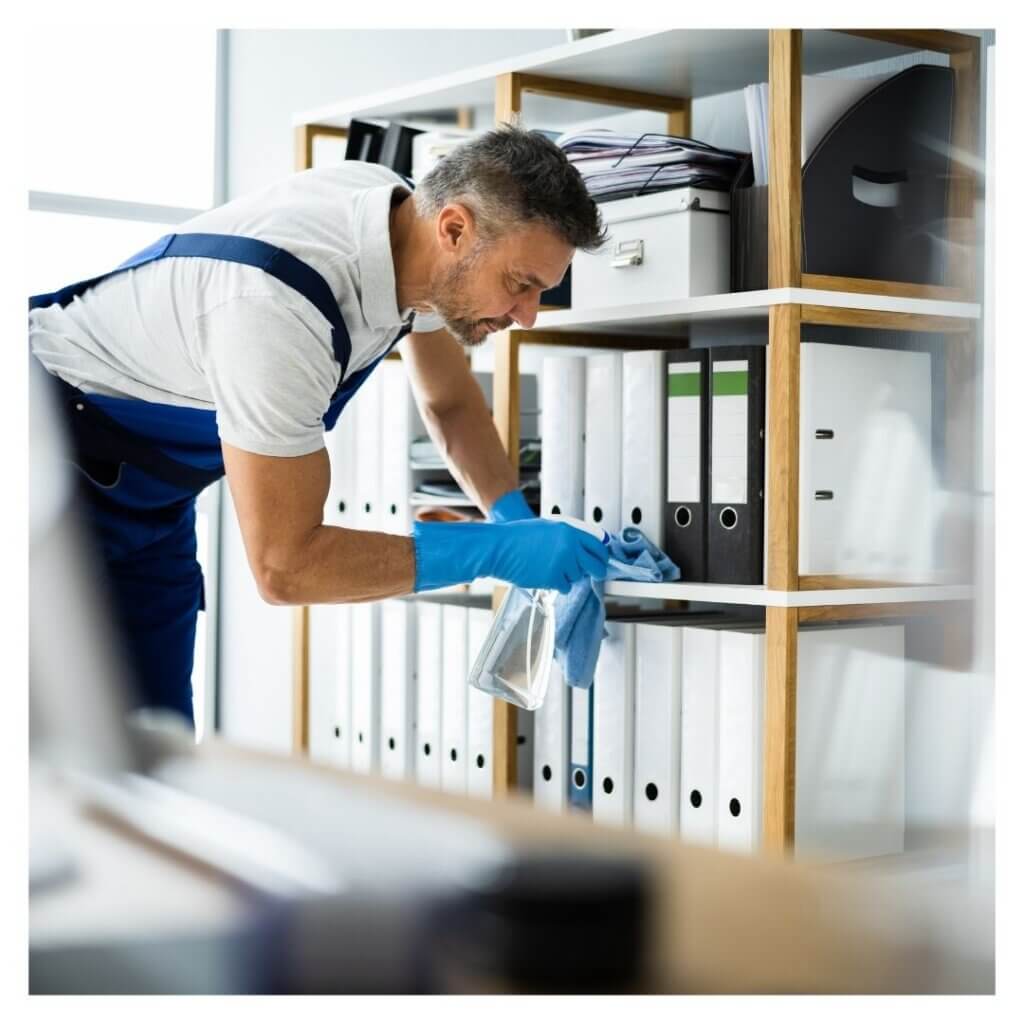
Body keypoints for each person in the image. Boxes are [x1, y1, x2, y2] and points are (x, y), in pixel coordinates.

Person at [29, 124, 611, 724]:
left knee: (155, 743)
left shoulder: (408, 231)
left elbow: (451, 406)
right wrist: (495, 552)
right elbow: (285, 566)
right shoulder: (277, 310)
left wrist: (509, 512)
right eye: (520, 285)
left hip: (148, 497)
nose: (529, 316)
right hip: (38, 462)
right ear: (455, 229)